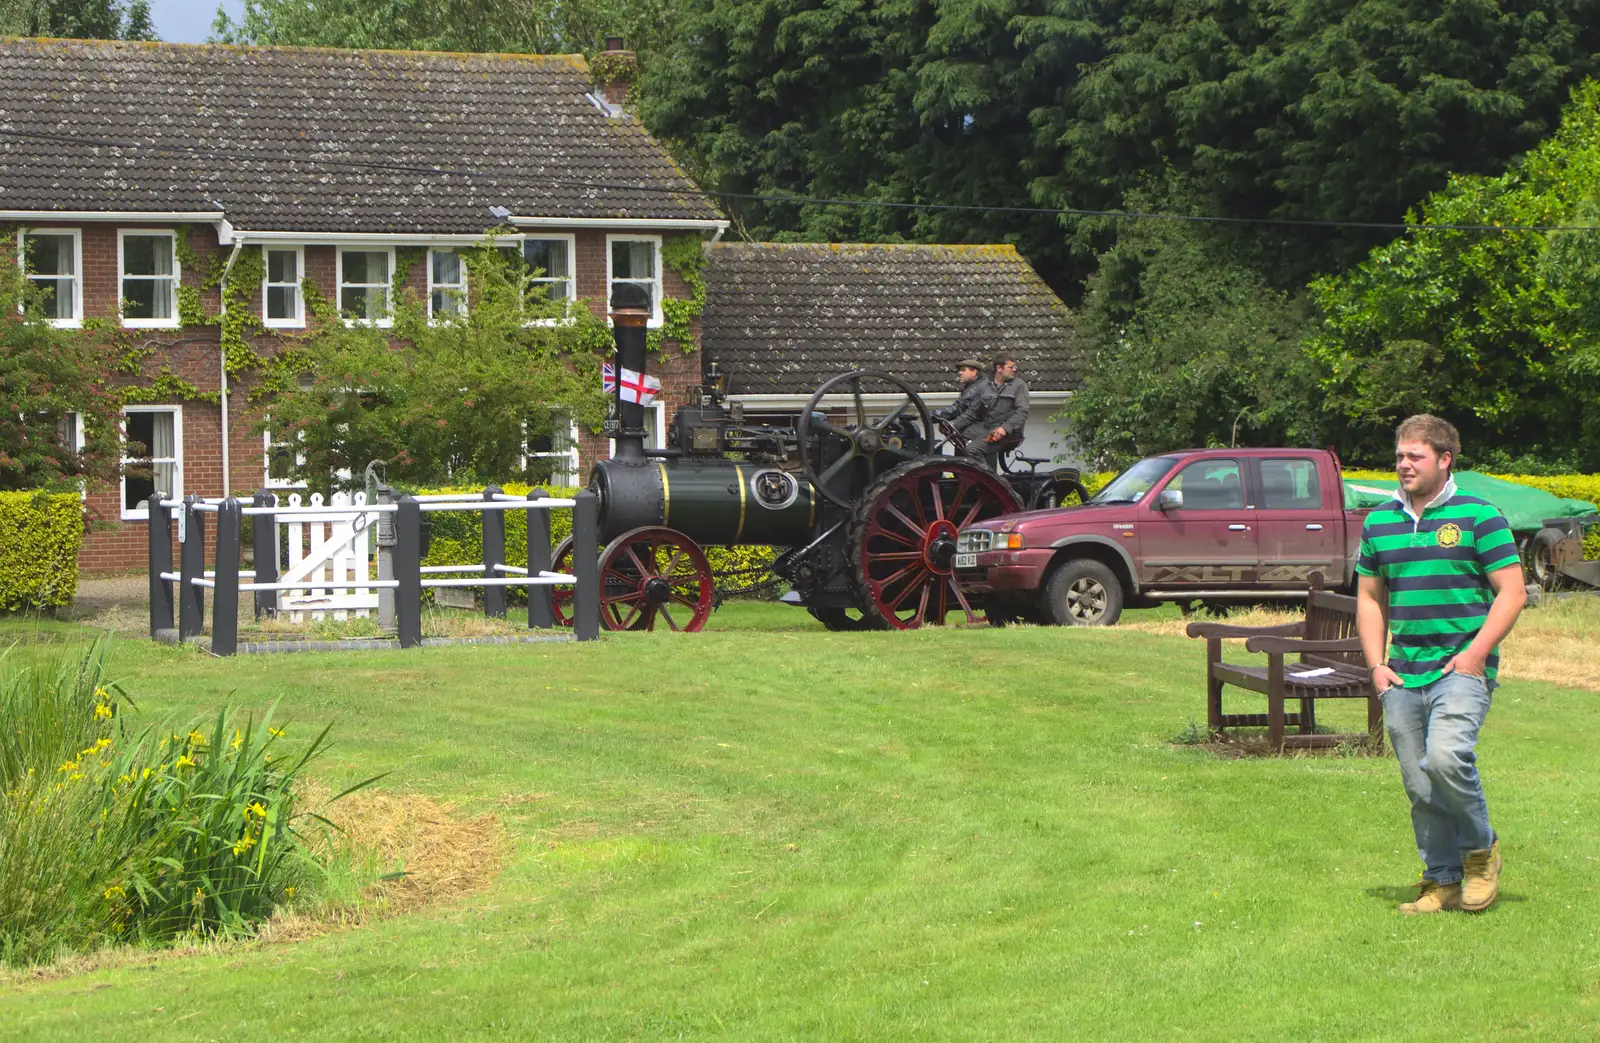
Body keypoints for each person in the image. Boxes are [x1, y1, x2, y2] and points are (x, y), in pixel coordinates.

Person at [1355, 414, 1526, 915]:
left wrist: (1475, 655)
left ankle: (1480, 852)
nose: (1404, 464)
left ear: (1445, 459)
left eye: (1416, 456)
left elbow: (1511, 593)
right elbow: (1369, 598)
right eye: (1400, 455)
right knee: (1419, 782)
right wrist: (1376, 667)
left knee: (1448, 759)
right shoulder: (1378, 522)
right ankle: (1442, 880)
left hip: (1462, 669)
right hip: (1402, 673)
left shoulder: (1479, 515)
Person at [953, 354, 1029, 467]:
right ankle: (963, 476)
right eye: (1011, 367)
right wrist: (953, 425)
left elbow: (1022, 411)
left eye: (1014, 367)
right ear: (999, 368)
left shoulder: (1019, 386)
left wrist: (1005, 428)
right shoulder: (985, 386)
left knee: (972, 450)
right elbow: (973, 412)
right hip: (987, 427)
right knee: (958, 438)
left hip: (1008, 433)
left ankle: (988, 480)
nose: (1014, 370)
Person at [932, 358, 985, 424]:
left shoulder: (975, 389)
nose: (959, 372)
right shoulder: (980, 384)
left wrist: (930, 415)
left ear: (974, 372)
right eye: (960, 370)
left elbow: (958, 409)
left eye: (963, 370)